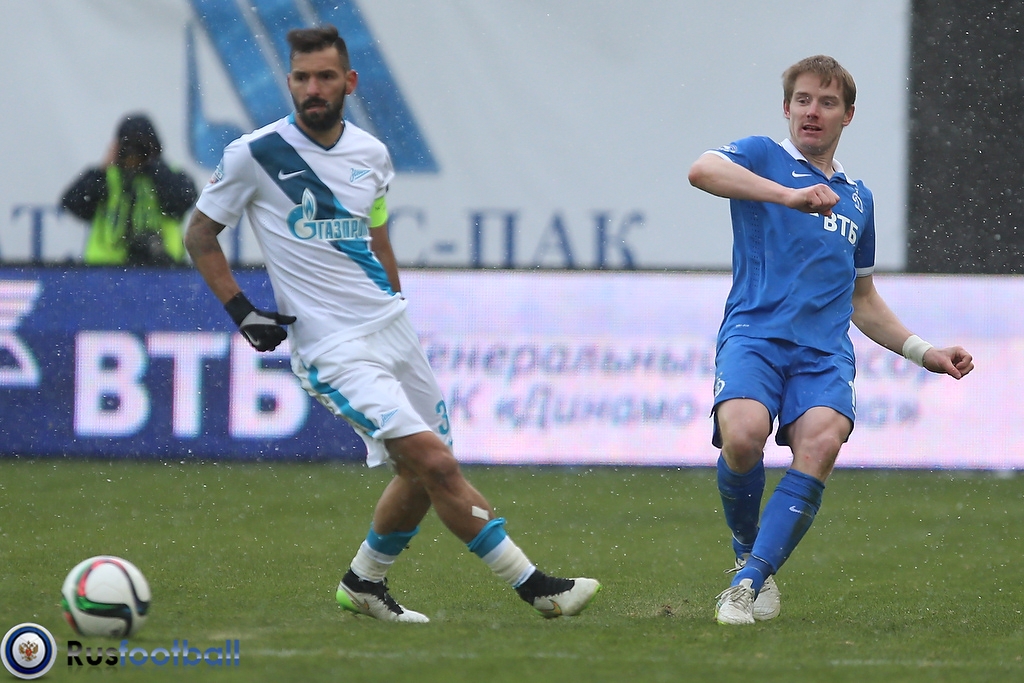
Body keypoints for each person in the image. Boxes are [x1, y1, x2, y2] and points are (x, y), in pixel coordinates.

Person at [184, 25, 600, 623]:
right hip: (331, 346)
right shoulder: (253, 155)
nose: (313, 88)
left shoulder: (371, 155)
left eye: (326, 76)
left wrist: (396, 306)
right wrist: (240, 310)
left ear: (349, 82)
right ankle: (537, 588)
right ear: (289, 82)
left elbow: (377, 240)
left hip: (392, 332)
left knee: (423, 467)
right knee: (436, 464)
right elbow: (200, 235)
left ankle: (363, 583)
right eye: (301, 77)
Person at [687, 55, 974, 626]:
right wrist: (786, 196)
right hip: (754, 335)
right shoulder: (762, 157)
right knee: (741, 437)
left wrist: (925, 352)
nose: (812, 111)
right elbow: (701, 171)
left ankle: (747, 583)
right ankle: (747, 551)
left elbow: (861, 299)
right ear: (786, 107)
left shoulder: (858, 199)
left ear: (848, 115)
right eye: (803, 100)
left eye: (827, 102)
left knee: (820, 444)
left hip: (822, 354)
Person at [60, 113, 197, 265]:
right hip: (107, 269)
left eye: (140, 148)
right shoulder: (107, 176)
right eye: (128, 147)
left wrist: (155, 165)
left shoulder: (169, 176)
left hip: (161, 267)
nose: (134, 155)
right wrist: (102, 170)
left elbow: (184, 201)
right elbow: (73, 203)